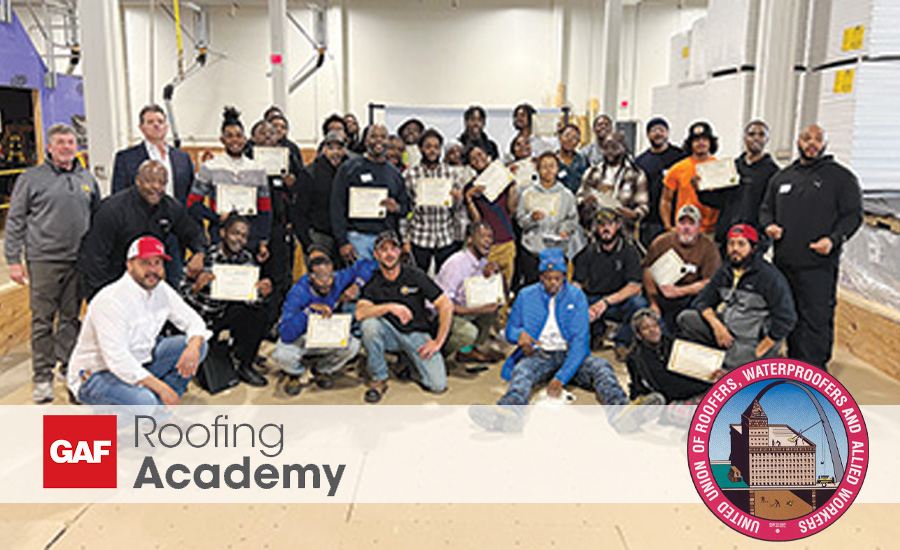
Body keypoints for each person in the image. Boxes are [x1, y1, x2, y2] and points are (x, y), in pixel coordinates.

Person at [468, 248, 663, 431]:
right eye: (548, 278)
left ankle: (622, 411)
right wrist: (519, 336)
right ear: (540, 277)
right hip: (539, 354)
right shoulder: (525, 295)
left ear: (565, 277)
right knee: (522, 373)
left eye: (558, 278)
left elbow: (580, 343)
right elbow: (511, 329)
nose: (553, 283)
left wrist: (561, 378)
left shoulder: (577, 296)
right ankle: (508, 414)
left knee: (602, 368)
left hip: (571, 355)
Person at [4, 123, 100, 402]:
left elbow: (96, 217)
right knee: (43, 320)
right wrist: (13, 259)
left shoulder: (87, 178)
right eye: (60, 142)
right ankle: (42, 375)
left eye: (70, 142)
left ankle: (68, 367)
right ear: (49, 147)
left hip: (77, 260)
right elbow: (16, 220)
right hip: (43, 259)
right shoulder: (31, 178)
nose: (66, 147)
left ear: (76, 146)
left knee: (71, 318)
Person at [759, 124, 863, 370]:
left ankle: (815, 373)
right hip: (784, 263)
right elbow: (765, 209)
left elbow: (853, 216)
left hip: (819, 266)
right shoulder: (782, 177)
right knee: (787, 317)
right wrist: (769, 226)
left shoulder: (841, 177)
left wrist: (833, 240)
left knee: (815, 320)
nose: (811, 143)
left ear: (825, 143)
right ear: (798, 141)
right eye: (807, 138)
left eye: (817, 139)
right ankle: (793, 366)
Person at [67, 236, 211, 406]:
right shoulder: (111, 300)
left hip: (141, 362)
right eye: (145, 263)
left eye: (157, 263)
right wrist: (162, 388)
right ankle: (77, 431)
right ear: (129, 265)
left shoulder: (161, 289)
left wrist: (193, 346)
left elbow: (194, 321)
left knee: (199, 345)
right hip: (97, 374)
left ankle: (158, 414)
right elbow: (118, 360)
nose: (153, 269)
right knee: (144, 402)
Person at [79, 160, 207, 301]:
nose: (156, 187)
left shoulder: (170, 207)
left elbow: (192, 231)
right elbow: (93, 257)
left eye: (162, 182)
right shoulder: (112, 210)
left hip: (148, 283)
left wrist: (199, 253)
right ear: (137, 181)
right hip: (112, 279)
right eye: (149, 181)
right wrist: (103, 296)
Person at [677, 224, 797, 371]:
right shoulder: (725, 270)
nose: (735, 249)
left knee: (726, 367)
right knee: (685, 318)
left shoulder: (769, 277)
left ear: (753, 248)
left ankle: (763, 361)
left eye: (741, 244)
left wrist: (763, 347)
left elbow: (787, 318)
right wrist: (717, 326)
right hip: (727, 331)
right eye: (731, 243)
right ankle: (720, 356)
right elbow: (702, 300)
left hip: (751, 340)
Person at [356, 231, 454, 403]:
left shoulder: (415, 275)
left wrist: (438, 342)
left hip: (417, 334)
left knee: (438, 385)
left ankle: (407, 359)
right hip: (391, 335)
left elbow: (445, 304)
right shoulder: (373, 282)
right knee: (369, 326)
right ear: (376, 255)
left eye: (393, 248)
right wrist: (390, 307)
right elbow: (360, 313)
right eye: (383, 250)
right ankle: (379, 377)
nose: (389, 254)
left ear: (400, 251)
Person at [180, 215, 274, 387]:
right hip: (202, 317)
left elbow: (250, 301)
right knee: (205, 374)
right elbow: (178, 297)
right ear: (223, 233)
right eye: (235, 233)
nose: (239, 239)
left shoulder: (246, 258)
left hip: (226, 313)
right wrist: (196, 288)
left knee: (258, 313)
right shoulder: (204, 257)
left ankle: (245, 364)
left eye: (244, 236)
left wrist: (261, 293)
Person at [272, 249, 376, 396]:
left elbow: (368, 264)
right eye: (320, 276)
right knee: (281, 355)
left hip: (325, 334)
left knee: (353, 346)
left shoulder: (337, 279)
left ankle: (322, 370)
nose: (326, 280)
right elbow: (286, 334)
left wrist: (356, 285)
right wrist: (309, 312)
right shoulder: (298, 293)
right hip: (302, 337)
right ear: (310, 277)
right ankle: (295, 373)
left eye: (329, 275)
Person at [188, 107, 272, 254]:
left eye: (239, 136)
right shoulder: (210, 168)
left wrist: (263, 241)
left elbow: (265, 208)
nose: (235, 140)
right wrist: (216, 217)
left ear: (245, 139)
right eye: (229, 136)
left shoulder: (258, 169)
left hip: (249, 236)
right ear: (222, 140)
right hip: (220, 235)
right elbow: (193, 204)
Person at [331, 123, 410, 264]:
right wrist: (342, 241)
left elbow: (406, 206)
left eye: (383, 137)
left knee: (385, 285)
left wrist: (396, 207)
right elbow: (337, 206)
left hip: (386, 241)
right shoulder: (349, 168)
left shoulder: (395, 173)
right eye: (373, 136)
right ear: (366, 140)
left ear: (388, 142)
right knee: (360, 283)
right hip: (357, 239)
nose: (378, 140)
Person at [572, 208, 648, 354]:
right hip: (593, 300)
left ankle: (622, 343)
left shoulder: (629, 251)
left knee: (639, 304)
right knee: (572, 302)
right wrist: (582, 305)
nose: (605, 228)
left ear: (617, 226)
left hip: (618, 301)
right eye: (601, 225)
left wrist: (606, 302)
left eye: (610, 224)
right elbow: (577, 284)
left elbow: (634, 287)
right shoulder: (588, 251)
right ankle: (593, 336)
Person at [435, 222, 505, 369]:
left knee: (492, 310)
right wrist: (479, 310)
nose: (487, 240)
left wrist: (498, 276)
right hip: (441, 316)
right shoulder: (456, 264)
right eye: (482, 236)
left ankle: (467, 351)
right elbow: (443, 305)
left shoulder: (484, 263)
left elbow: (500, 298)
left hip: (465, 310)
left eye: (490, 237)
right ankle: (438, 355)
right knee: (468, 332)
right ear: (470, 239)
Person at [697, 120, 779, 243]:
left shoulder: (774, 173)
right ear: (745, 138)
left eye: (761, 135)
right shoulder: (732, 167)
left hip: (754, 240)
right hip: (726, 236)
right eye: (751, 134)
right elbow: (718, 200)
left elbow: (773, 208)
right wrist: (700, 189)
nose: (756, 138)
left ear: (767, 139)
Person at [642, 205, 720, 333]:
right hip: (661, 296)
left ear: (699, 226)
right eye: (682, 222)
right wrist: (653, 302)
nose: (686, 228)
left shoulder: (709, 248)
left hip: (689, 297)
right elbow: (647, 270)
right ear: (676, 224)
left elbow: (709, 282)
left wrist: (679, 291)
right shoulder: (661, 242)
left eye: (691, 223)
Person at [463, 145, 518, 313]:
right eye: (473, 158)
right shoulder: (470, 187)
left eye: (480, 154)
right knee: (488, 285)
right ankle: (490, 324)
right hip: (486, 245)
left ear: (488, 156)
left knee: (506, 284)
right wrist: (469, 198)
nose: (477, 159)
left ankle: (502, 321)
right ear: (470, 164)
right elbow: (476, 221)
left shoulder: (503, 179)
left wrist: (512, 185)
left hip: (506, 239)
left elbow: (512, 209)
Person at [402, 128, 465, 272]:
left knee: (445, 281)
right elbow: (406, 210)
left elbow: (457, 210)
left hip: (446, 237)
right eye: (428, 147)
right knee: (419, 282)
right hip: (420, 237)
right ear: (420, 149)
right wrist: (405, 239)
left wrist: (457, 199)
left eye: (436, 147)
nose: (432, 151)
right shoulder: (411, 175)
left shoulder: (451, 173)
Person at [515, 151, 579, 286]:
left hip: (556, 250)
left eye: (552, 166)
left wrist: (565, 229)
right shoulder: (528, 193)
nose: (548, 170)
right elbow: (520, 220)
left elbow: (572, 219)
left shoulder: (566, 195)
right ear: (538, 169)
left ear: (558, 169)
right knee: (532, 287)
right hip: (532, 249)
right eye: (544, 166)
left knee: (555, 288)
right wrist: (531, 218)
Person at [111, 105, 195, 204]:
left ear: (166, 126)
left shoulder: (182, 158)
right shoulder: (126, 159)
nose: (156, 125)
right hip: (141, 216)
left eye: (160, 121)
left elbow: (190, 194)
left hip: (177, 216)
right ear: (141, 128)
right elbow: (119, 197)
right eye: (150, 122)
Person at [626, 308, 712, 402]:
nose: (652, 330)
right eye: (645, 328)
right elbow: (665, 385)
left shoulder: (673, 342)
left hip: (692, 388)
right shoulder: (637, 357)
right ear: (639, 334)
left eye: (655, 326)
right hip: (671, 396)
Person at [578, 132, 649, 240]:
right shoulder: (592, 172)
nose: (610, 152)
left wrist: (634, 214)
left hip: (624, 232)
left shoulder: (636, 174)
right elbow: (579, 197)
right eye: (606, 148)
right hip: (595, 232)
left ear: (623, 148)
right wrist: (584, 200)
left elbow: (644, 205)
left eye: (614, 147)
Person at [634, 117, 686, 249]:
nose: (658, 133)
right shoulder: (640, 161)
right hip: (650, 221)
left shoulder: (679, 157)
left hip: (676, 219)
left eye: (661, 130)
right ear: (647, 135)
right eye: (653, 130)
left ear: (667, 133)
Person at [296, 131, 348, 263]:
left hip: (345, 237)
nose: (335, 152)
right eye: (330, 148)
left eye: (339, 148)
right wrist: (309, 244)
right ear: (323, 149)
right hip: (318, 236)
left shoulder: (351, 171)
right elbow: (299, 212)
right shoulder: (310, 173)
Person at [661, 121, 720, 236]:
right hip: (685, 229)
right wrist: (668, 226)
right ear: (690, 143)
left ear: (711, 142)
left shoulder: (719, 168)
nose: (701, 143)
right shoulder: (678, 168)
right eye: (696, 140)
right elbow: (665, 200)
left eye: (705, 139)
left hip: (712, 231)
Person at [556, 124, 588, 194]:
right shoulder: (553, 161)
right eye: (567, 135)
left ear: (578, 142)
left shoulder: (583, 160)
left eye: (574, 138)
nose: (570, 140)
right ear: (560, 137)